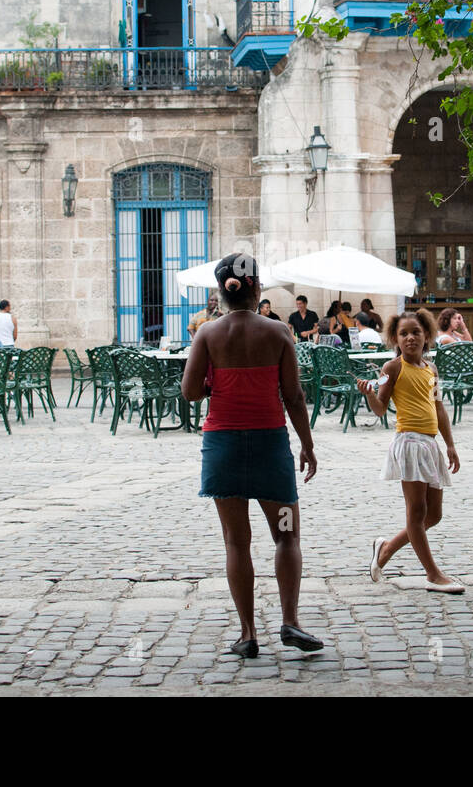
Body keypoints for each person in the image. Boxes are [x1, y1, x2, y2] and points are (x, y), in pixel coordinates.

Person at [181, 253, 322, 659]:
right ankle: (290, 621)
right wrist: (307, 445)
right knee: (286, 533)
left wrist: (214, 386)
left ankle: (247, 634)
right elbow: (293, 396)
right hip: (270, 448)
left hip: (223, 447)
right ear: (257, 288)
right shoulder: (279, 333)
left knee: (236, 541)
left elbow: (190, 393)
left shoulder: (207, 334)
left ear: (222, 293)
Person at [358, 309, 464, 593]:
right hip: (409, 445)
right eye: (403, 334)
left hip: (430, 446)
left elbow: (439, 407)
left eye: (415, 332)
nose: (410, 338)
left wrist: (450, 444)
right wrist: (369, 393)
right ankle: (433, 574)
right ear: (395, 338)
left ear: (426, 334)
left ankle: (386, 549)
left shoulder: (431, 369)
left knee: (434, 515)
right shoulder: (392, 369)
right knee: (416, 513)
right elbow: (380, 409)